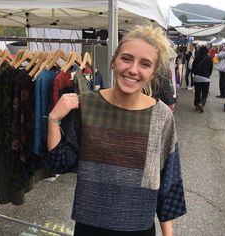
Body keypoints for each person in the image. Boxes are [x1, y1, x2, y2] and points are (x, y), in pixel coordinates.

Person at [46, 25, 187, 236]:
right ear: (113, 61)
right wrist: (54, 119)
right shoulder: (87, 106)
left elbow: (168, 181)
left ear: (153, 73)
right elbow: (59, 162)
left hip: (138, 227)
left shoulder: (161, 116)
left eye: (145, 64)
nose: (133, 69)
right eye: (127, 58)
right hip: (89, 226)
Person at [192, 46, 213, 113]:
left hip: (197, 78)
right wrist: (207, 75)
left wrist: (196, 74)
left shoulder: (196, 58)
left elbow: (193, 68)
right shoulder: (209, 59)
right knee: (205, 93)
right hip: (206, 78)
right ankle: (201, 103)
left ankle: (196, 105)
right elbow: (210, 69)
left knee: (197, 92)